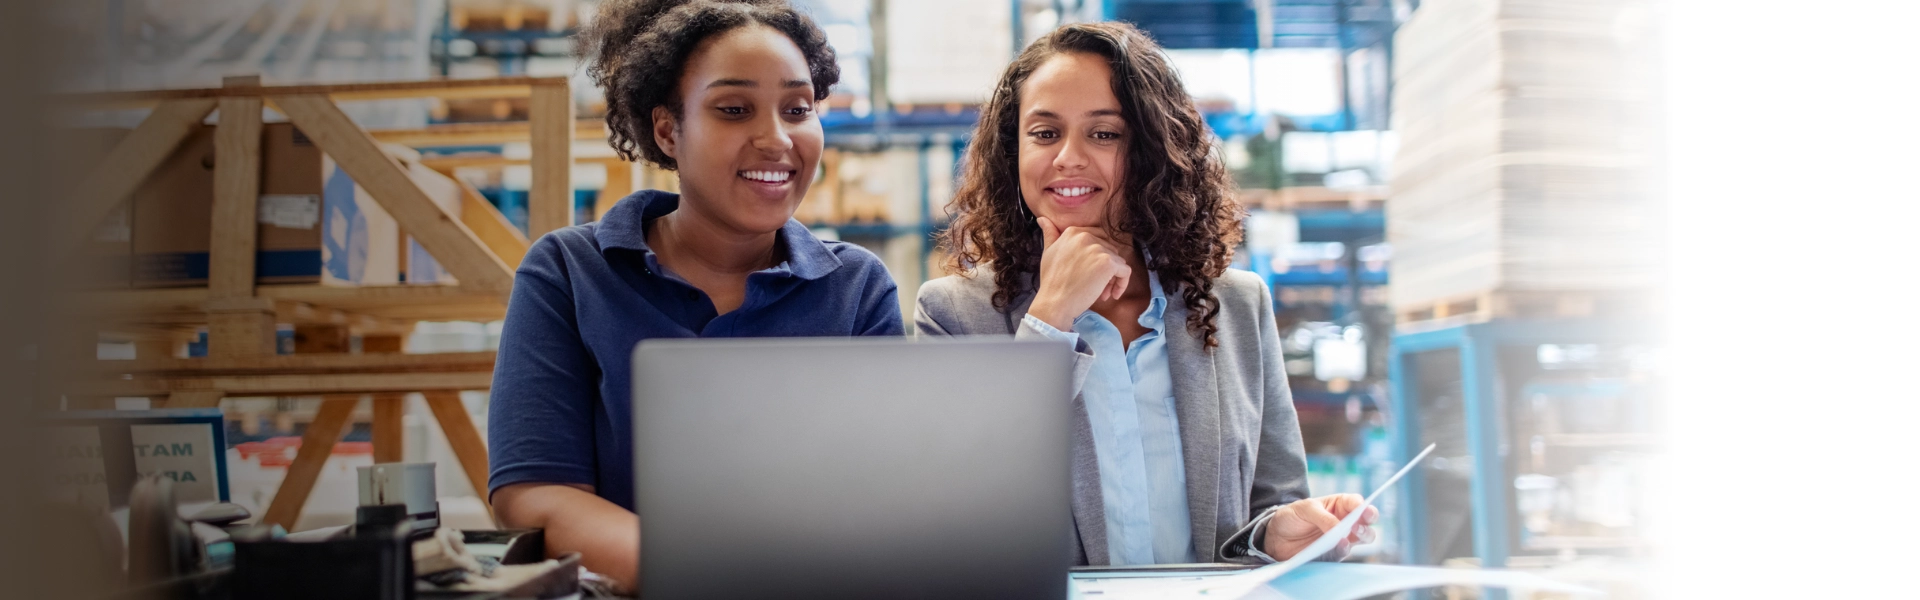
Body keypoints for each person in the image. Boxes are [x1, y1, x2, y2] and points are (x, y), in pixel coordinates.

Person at [915, 22, 1377, 566]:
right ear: (1011, 152)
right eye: (1044, 133)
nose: (1068, 157)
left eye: (1104, 133)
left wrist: (1275, 534)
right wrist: (1049, 319)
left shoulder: (1236, 306)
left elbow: (1275, 499)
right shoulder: (952, 313)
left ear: (1153, 151)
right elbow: (951, 517)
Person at [486, 0, 904, 590]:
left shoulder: (856, 288)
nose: (776, 138)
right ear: (667, 129)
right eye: (734, 109)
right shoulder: (569, 274)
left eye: (798, 109)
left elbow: (886, 498)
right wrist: (706, 576)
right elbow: (534, 494)